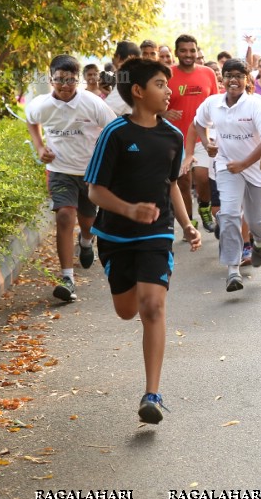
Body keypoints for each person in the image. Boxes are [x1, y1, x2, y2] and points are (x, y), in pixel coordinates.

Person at [85, 58, 203, 423]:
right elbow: (95, 192)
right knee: (127, 310)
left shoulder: (171, 136)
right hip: (115, 236)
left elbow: (171, 186)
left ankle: (152, 394)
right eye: (160, 84)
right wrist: (129, 209)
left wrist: (186, 224)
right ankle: (130, 292)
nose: (169, 91)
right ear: (138, 91)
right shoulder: (115, 134)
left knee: (152, 307)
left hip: (157, 233)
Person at [25, 55, 118, 302]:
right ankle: (67, 278)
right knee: (65, 216)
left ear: (77, 80)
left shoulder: (92, 103)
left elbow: (114, 129)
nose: (65, 86)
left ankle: (86, 242)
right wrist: (40, 147)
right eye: (59, 80)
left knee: (88, 222)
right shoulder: (41, 104)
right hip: (60, 170)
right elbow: (31, 121)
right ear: (50, 79)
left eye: (70, 81)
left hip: (90, 172)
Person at [186, 59, 261, 293]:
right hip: (226, 166)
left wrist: (244, 163)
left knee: (254, 220)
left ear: (247, 79)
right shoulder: (212, 103)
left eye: (239, 76)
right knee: (230, 214)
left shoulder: (255, 105)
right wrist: (207, 144)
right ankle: (232, 270)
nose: (233, 80)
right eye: (229, 75)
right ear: (221, 78)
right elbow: (198, 124)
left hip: (255, 170)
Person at [167, 34, 220, 237]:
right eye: (183, 51)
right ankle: (188, 221)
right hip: (174, 137)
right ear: (176, 52)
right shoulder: (168, 73)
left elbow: (216, 103)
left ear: (197, 51)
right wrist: (163, 113)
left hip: (202, 135)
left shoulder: (207, 73)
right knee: (182, 182)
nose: (188, 55)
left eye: (192, 50)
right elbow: (155, 100)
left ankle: (205, 208)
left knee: (203, 177)